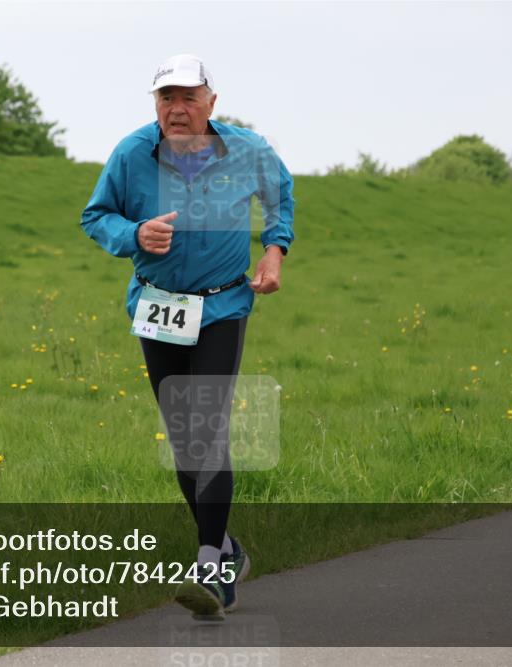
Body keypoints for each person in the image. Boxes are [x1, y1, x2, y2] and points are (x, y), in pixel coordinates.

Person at [79, 53, 295, 621]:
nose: (176, 109)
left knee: (207, 424)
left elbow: (280, 196)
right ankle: (226, 551)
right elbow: (96, 216)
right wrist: (133, 234)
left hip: (222, 304)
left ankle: (208, 568)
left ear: (211, 102)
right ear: (155, 104)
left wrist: (274, 251)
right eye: (166, 98)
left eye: (188, 97)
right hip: (159, 306)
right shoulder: (132, 153)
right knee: (184, 437)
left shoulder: (249, 150)